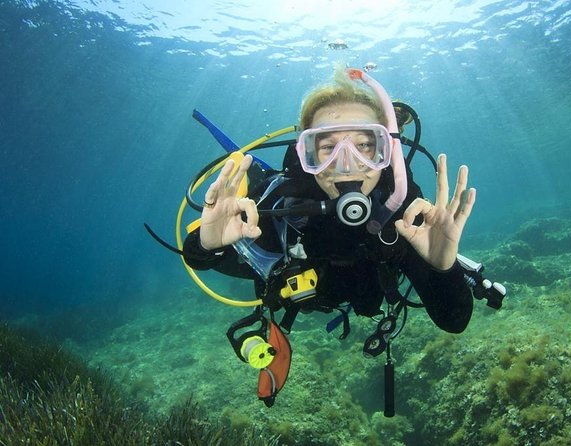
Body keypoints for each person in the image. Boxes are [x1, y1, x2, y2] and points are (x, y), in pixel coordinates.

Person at [181, 67, 478, 406]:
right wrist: (209, 243)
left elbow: (454, 321)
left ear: (387, 152)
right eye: (328, 148)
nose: (347, 165)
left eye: (365, 145)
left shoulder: (405, 215)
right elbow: (197, 257)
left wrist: (443, 266)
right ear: (306, 154)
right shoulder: (284, 206)